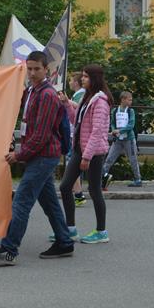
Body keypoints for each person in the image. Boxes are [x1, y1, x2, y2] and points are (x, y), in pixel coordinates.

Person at [0, 51, 74, 265]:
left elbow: (41, 135)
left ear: (46, 70)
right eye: (29, 69)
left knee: (21, 202)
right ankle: (64, 242)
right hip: (39, 155)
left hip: (43, 156)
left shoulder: (47, 95)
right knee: (49, 203)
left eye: (36, 69)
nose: (32, 73)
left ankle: (9, 249)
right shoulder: (32, 91)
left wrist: (19, 154)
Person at [60, 64, 112, 244]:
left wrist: (86, 156)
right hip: (80, 149)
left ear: (95, 79)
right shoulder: (87, 98)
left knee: (94, 190)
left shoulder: (101, 102)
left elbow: (97, 132)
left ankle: (101, 231)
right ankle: (70, 229)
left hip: (93, 152)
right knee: (65, 186)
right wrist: (66, 104)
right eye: (82, 76)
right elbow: (76, 121)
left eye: (86, 76)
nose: (82, 79)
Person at [102, 91, 142, 187]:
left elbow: (131, 125)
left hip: (129, 139)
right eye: (129, 100)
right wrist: (113, 130)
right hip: (118, 139)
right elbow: (112, 122)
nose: (131, 102)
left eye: (131, 100)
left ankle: (138, 179)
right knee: (109, 159)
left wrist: (120, 131)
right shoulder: (115, 111)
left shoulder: (130, 111)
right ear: (123, 99)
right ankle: (101, 177)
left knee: (133, 159)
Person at [66, 72, 87, 207]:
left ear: (76, 82)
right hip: (73, 133)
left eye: (71, 80)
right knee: (72, 164)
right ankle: (78, 194)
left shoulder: (82, 94)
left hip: (76, 134)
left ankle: (78, 194)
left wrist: (67, 102)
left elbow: (80, 108)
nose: (69, 83)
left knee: (72, 164)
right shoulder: (77, 94)